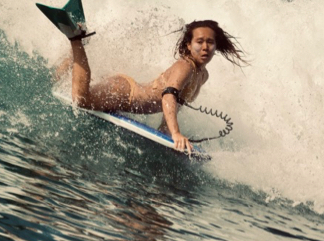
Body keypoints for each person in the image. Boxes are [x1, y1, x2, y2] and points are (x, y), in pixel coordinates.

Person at [54, 19, 245, 153]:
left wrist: (166, 131)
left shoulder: (203, 74)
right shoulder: (185, 66)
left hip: (126, 93)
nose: (205, 47)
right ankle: (76, 39)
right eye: (199, 41)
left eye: (210, 42)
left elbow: (177, 102)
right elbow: (168, 95)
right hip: (125, 94)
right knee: (81, 99)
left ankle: (79, 48)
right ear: (188, 45)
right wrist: (176, 133)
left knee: (81, 89)